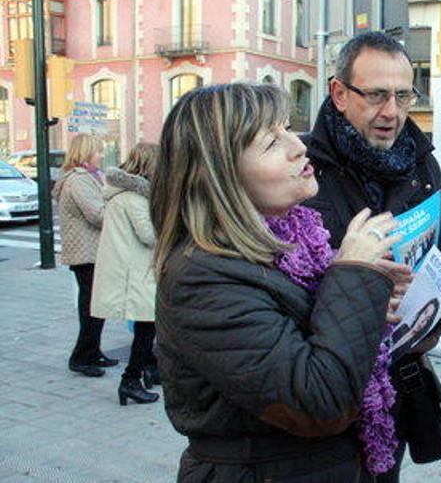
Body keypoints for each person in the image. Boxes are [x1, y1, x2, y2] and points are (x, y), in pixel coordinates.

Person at [150, 83, 406, 482]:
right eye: (271, 142)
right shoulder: (202, 279)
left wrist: (370, 302)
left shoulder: (295, 242)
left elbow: (311, 328)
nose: (299, 146)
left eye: (288, 127)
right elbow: (320, 401)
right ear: (220, 175)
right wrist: (353, 274)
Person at [301, 31, 441, 480]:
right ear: (339, 93)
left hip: (396, 389)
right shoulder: (301, 167)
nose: (392, 112)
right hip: (324, 392)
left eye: (404, 96)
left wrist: (433, 323)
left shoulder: (423, 163)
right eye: (377, 95)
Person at [91, 142, 161, 406]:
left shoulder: (122, 194)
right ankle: (130, 380)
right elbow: (149, 235)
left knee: (148, 326)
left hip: (133, 270)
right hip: (136, 274)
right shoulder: (134, 197)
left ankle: (147, 371)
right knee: (147, 327)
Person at [53, 133, 118, 378]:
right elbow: (97, 214)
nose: (101, 155)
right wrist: (118, 206)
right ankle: (81, 357)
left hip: (91, 251)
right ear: (86, 153)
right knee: (91, 307)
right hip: (86, 252)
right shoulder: (78, 180)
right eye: (98, 151)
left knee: (95, 306)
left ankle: (93, 351)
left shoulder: (89, 177)